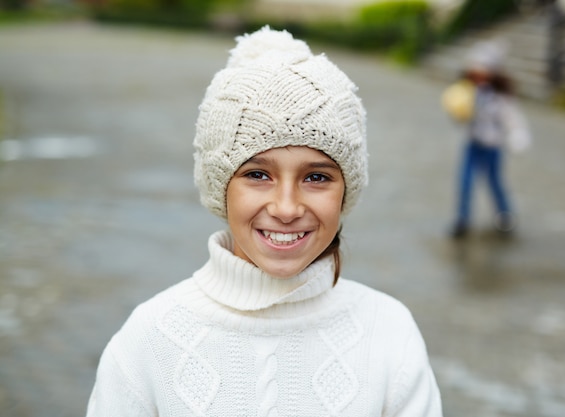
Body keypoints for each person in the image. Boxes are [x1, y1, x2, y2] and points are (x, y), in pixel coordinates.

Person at [86, 26, 442, 416]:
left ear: (346, 192)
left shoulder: (389, 333)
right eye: (258, 175)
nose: (286, 208)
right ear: (221, 187)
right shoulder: (149, 338)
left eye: (316, 177)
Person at [442, 40, 531, 239]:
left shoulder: (500, 97)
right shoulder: (468, 91)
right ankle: (462, 219)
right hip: (473, 143)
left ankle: (505, 214)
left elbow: (512, 119)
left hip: (492, 146)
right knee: (465, 182)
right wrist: (458, 111)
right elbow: (461, 114)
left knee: (494, 181)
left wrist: (517, 135)